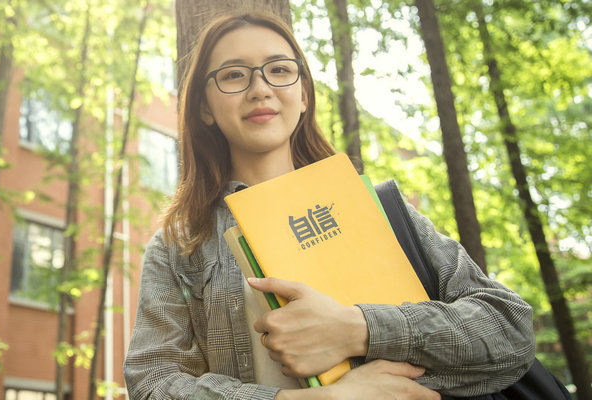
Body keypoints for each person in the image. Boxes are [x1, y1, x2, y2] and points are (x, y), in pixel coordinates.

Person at [123, 11, 535, 400]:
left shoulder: (374, 208)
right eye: (234, 75)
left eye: (279, 70)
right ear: (204, 108)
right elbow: (151, 381)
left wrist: (356, 328)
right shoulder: (181, 243)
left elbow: (510, 330)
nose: (260, 88)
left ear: (303, 95)